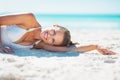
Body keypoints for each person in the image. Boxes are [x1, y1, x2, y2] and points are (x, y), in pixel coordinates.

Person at [0, 13, 116, 55]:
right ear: (55, 25)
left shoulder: (40, 44)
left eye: (53, 40)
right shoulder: (29, 19)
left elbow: (71, 50)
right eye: (53, 32)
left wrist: (96, 46)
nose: (49, 36)